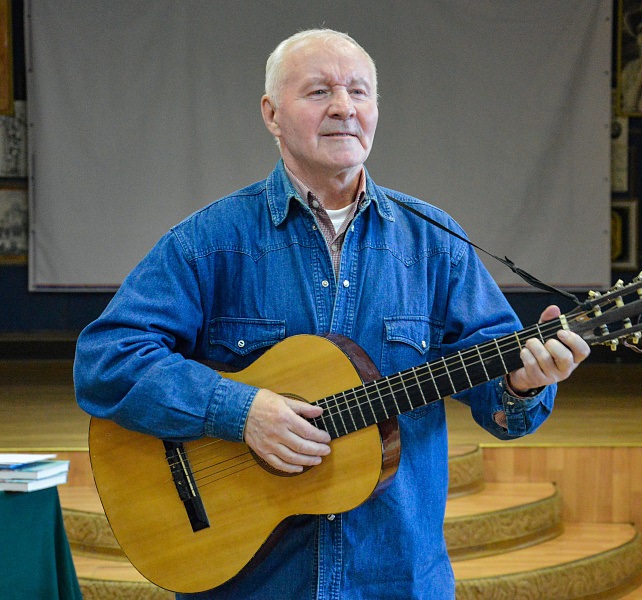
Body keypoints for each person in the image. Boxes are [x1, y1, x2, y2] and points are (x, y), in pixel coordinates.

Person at [73, 29, 590, 599]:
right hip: (253, 584)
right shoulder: (210, 241)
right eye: (319, 91)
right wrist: (239, 410)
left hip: (394, 578)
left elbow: (504, 408)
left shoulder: (435, 244)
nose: (344, 107)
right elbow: (106, 359)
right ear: (272, 114)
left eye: (359, 92)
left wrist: (523, 382)